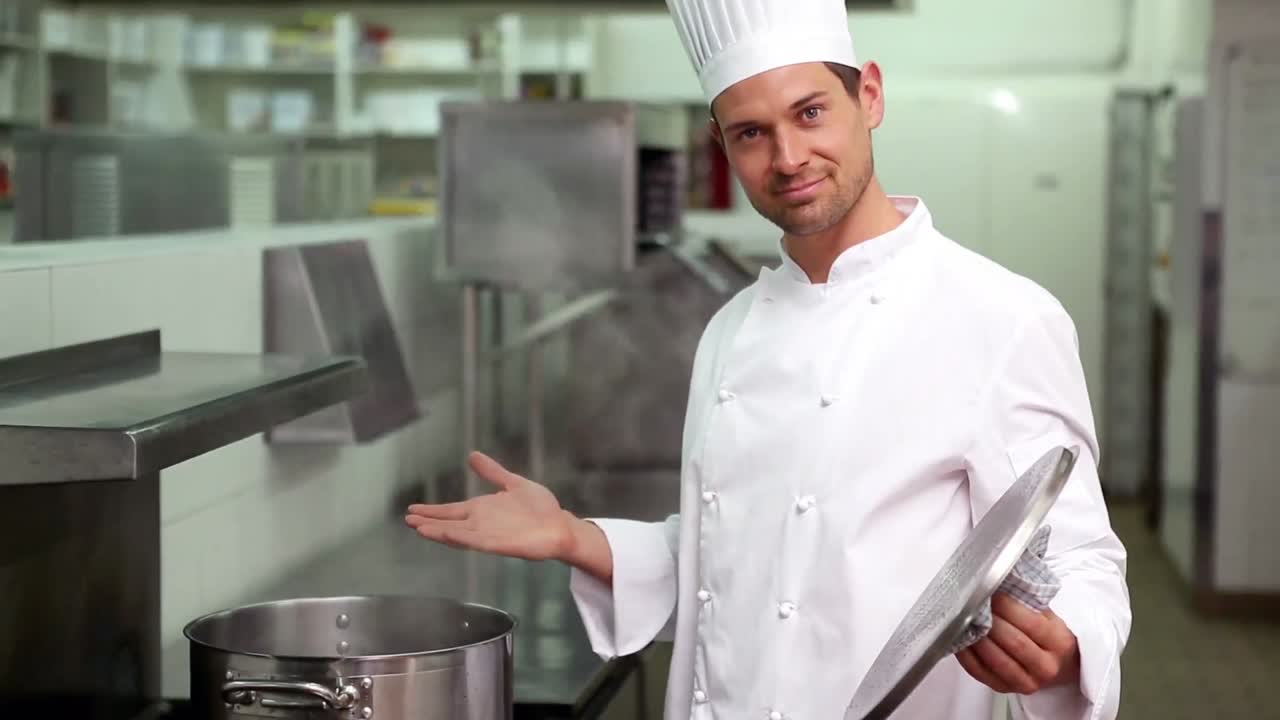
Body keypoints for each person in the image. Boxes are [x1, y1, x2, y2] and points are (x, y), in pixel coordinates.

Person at [406, 0, 1132, 718]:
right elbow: (731, 560)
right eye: (752, 133)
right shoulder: (730, 328)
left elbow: (1078, 557)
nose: (787, 158)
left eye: (810, 113)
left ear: (869, 96)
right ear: (722, 147)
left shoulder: (999, 316)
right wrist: (575, 537)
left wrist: (1065, 642)